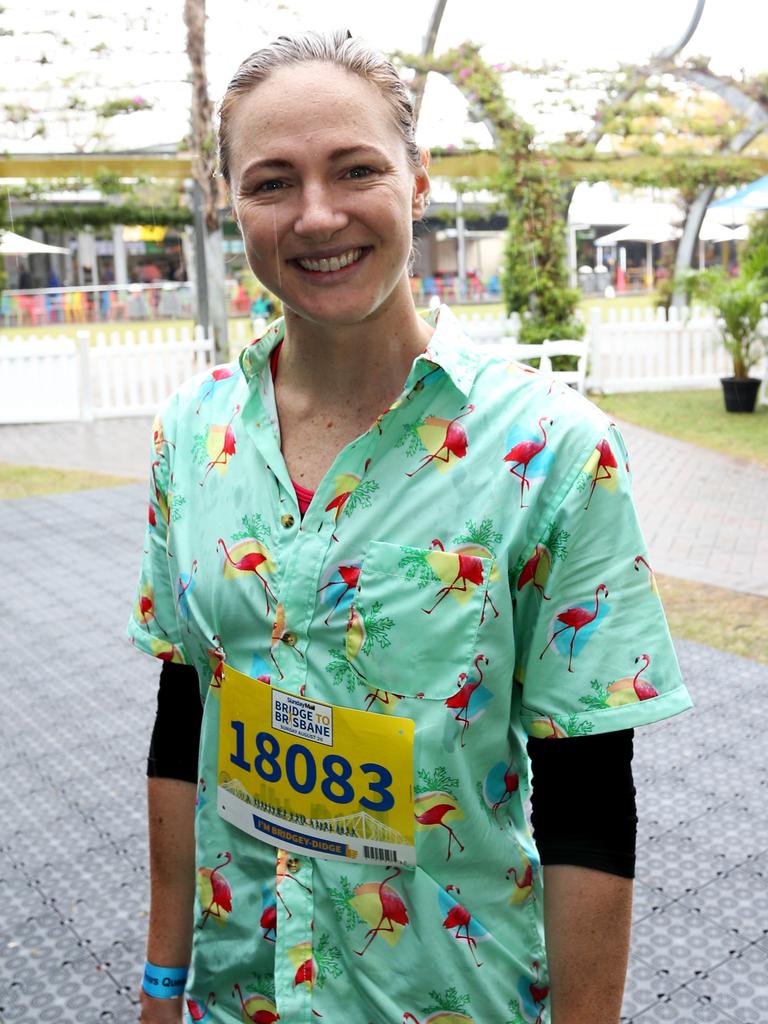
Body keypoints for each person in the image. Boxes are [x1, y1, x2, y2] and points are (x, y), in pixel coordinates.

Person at [128, 30, 692, 1024]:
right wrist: (163, 979)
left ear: (418, 182)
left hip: (450, 998)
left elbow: (589, 800)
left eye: (355, 170)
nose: (317, 214)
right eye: (272, 182)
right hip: (239, 996)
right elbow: (187, 707)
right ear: (230, 206)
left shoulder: (556, 452)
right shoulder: (191, 434)